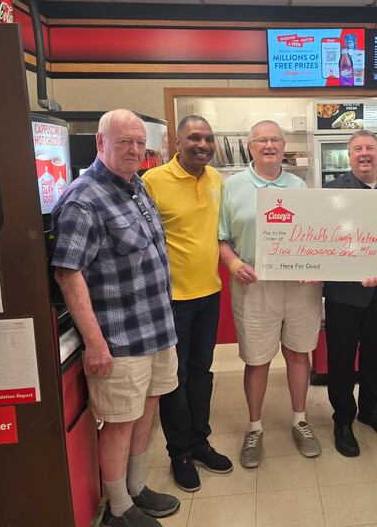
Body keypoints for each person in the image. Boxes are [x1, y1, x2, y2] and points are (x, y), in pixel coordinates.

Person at [52, 109, 180, 527]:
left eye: (140, 143)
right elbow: (67, 273)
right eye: (125, 141)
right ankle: (119, 510)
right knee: (121, 422)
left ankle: (137, 488)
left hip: (157, 330)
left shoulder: (136, 186)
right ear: (100, 144)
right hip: (120, 339)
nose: (135, 150)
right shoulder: (83, 199)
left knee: (147, 410)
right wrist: (95, 342)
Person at [218, 120, 322, 468]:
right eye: (261, 140)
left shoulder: (299, 185)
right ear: (250, 147)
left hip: (298, 287)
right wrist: (234, 266)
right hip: (254, 284)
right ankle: (254, 427)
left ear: (283, 146)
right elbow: (221, 240)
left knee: (297, 353)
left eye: (275, 140)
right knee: (257, 359)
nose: (269, 145)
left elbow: (315, 234)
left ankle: (300, 420)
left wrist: (313, 264)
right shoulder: (231, 187)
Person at [142, 115, 232, 492]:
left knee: (202, 374)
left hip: (208, 294)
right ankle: (178, 452)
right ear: (176, 142)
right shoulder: (152, 182)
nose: (203, 144)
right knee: (174, 380)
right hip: (171, 300)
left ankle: (200, 441)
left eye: (209, 138)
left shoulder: (215, 180)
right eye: (194, 137)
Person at [323, 129, 377, 457]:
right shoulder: (331, 190)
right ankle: (343, 418)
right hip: (344, 293)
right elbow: (326, 239)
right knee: (341, 358)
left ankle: (370, 409)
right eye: (357, 148)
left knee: (375, 354)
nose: (364, 154)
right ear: (349, 155)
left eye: (370, 148)